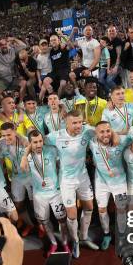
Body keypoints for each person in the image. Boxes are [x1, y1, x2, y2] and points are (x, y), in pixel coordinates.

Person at [45, 110, 99, 257]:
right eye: (74, 123)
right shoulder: (57, 136)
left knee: (89, 207)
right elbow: (38, 140)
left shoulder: (87, 131)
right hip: (66, 181)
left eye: (80, 122)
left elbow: (104, 131)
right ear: (66, 123)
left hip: (83, 176)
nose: (78, 125)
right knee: (72, 214)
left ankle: (84, 237)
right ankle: (75, 241)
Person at [20, 130, 69, 256]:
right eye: (35, 142)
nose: (38, 145)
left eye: (40, 141)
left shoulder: (52, 150)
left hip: (55, 192)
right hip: (39, 195)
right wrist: (25, 154)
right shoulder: (27, 156)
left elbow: (60, 165)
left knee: (62, 220)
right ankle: (53, 243)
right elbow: (23, 168)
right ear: (30, 144)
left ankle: (65, 243)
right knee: (45, 221)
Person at [89, 121, 129, 250]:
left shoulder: (121, 140)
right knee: (101, 209)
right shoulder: (92, 142)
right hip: (101, 182)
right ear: (96, 133)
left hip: (119, 182)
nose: (105, 134)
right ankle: (107, 234)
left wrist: (117, 133)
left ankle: (122, 236)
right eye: (101, 132)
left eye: (108, 131)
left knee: (122, 209)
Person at [0, 123, 34, 232]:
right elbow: (0, 160)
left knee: (35, 204)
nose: (6, 138)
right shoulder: (2, 143)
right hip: (16, 177)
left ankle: (41, 227)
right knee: (18, 204)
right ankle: (29, 224)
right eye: (3, 135)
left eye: (9, 134)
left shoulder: (25, 141)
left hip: (31, 176)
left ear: (15, 132)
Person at [45, 33, 74, 98]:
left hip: (64, 70)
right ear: (50, 42)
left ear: (58, 40)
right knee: (46, 81)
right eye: (51, 40)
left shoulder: (63, 48)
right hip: (55, 71)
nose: (53, 42)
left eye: (55, 40)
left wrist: (63, 36)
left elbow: (71, 47)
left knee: (63, 84)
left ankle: (58, 99)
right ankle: (53, 96)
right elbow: (41, 49)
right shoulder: (50, 50)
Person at [104, 25, 124, 92]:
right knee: (103, 79)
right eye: (110, 31)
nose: (111, 32)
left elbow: (119, 55)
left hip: (118, 64)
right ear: (107, 32)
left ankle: (118, 93)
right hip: (111, 64)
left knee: (109, 80)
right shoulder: (107, 41)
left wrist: (116, 67)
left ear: (116, 32)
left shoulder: (117, 41)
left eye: (113, 31)